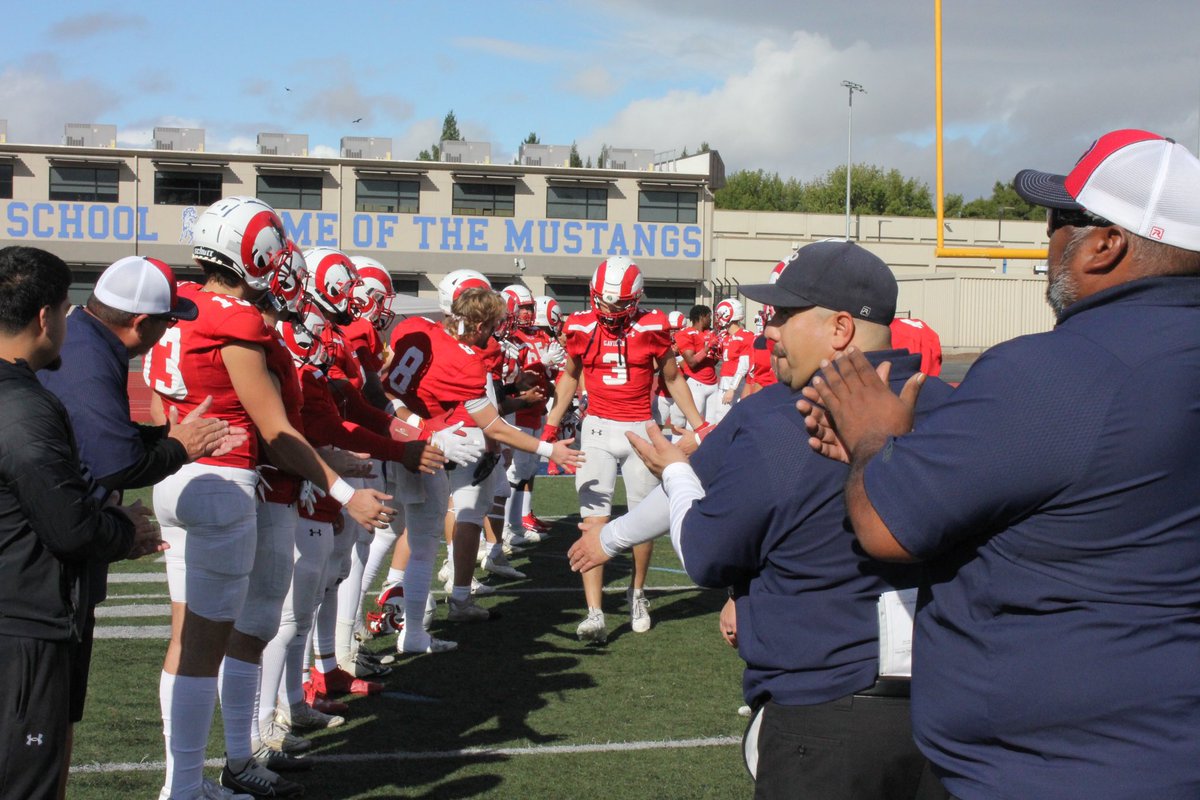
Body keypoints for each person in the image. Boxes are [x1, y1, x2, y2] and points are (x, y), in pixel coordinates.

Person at [800, 129, 1200, 799]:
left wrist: (874, 439)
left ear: (1107, 245)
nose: (1046, 243)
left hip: (1059, 767)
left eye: (1057, 221)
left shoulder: (1056, 370)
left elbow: (885, 526)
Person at [567, 241, 953, 800]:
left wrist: (673, 475)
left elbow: (704, 553)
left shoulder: (779, 418)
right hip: (949, 705)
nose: (768, 329)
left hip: (825, 704)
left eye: (783, 314)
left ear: (840, 328)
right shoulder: (957, 407)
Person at [145, 197, 392, 800]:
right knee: (228, 636)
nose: (284, 263)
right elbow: (277, 431)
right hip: (229, 484)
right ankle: (197, 780)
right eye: (275, 250)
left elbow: (157, 409)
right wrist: (342, 491)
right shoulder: (238, 320)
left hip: (178, 478)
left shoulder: (178, 306)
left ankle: (226, 764)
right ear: (251, 254)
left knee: (193, 636)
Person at [37, 255, 246, 795]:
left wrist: (161, 439)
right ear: (139, 322)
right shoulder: (86, 353)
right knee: (38, 724)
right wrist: (178, 448)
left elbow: (107, 440)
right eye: (167, 320)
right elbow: (111, 461)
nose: (170, 330)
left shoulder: (85, 341)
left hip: (52, 549)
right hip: (41, 569)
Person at [0, 246, 162, 800]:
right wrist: (126, 533)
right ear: (46, 316)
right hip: (24, 621)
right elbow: (68, 526)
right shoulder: (24, 406)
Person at [543, 256, 707, 643]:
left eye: (618, 303)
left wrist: (700, 424)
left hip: (640, 428)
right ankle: (595, 612)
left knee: (641, 520)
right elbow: (569, 377)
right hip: (597, 428)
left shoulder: (652, 326)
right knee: (593, 521)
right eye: (603, 301)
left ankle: (638, 594)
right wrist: (551, 425)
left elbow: (672, 376)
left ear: (635, 300)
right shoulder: (580, 325)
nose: (609, 310)